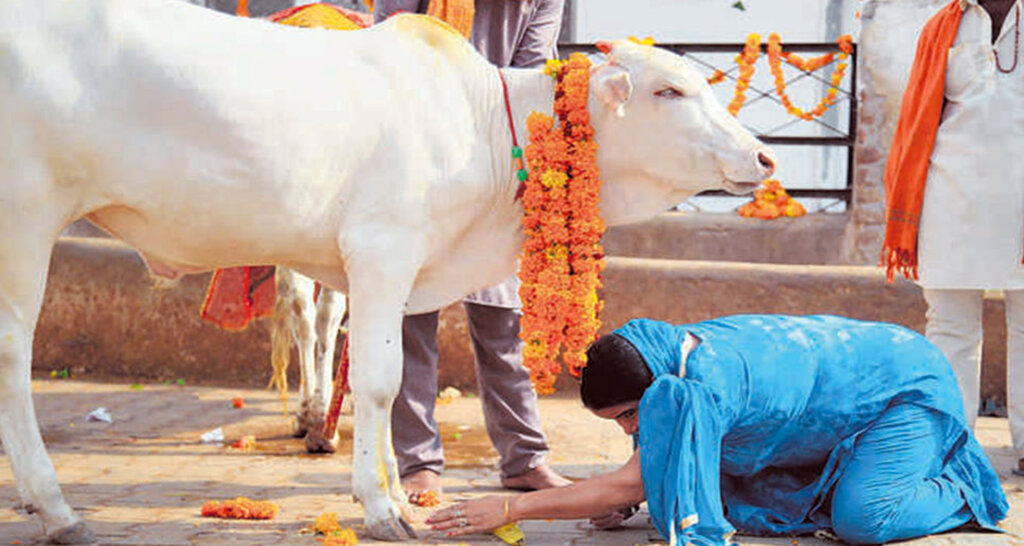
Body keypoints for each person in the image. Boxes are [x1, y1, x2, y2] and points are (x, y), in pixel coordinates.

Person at [428, 315, 1009, 545]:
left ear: (653, 392)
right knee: (710, 484)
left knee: (864, 520)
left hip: (907, 389)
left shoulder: (701, 386)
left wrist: (509, 512)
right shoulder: (666, 356)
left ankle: (959, 489)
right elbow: (648, 462)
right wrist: (650, 472)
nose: (632, 428)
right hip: (850, 386)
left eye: (630, 416)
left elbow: (628, 485)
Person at [372, 0, 571, 501]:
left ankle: (525, 458)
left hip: (496, 157)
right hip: (415, 155)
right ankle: (418, 463)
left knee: (504, 320)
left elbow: (529, 71)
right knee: (411, 317)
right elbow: (386, 45)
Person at [882, 0, 1024, 473]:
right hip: (950, 195)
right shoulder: (944, 25)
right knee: (951, 327)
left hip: (1019, 202)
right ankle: (950, 447)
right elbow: (919, 118)